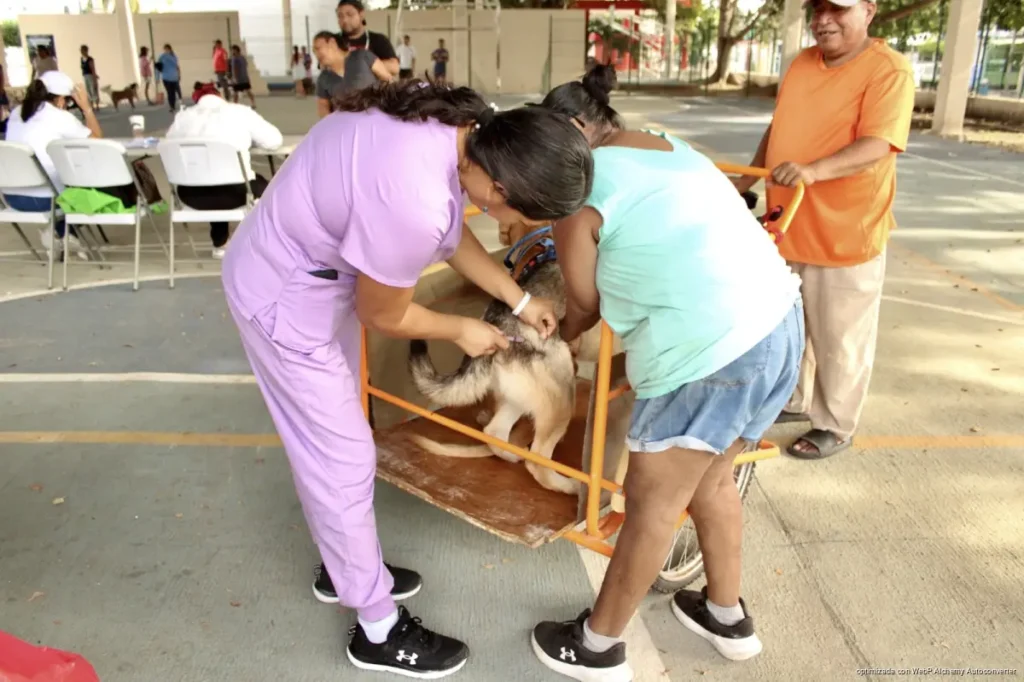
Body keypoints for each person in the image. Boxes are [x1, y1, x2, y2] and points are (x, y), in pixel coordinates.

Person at [220, 80, 593, 678]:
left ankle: (344, 562)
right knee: (342, 454)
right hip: (285, 294)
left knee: (333, 442)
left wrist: (519, 300)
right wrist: (461, 331)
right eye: (518, 213)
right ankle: (375, 626)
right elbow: (384, 313)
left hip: (315, 274)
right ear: (498, 185)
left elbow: (449, 233)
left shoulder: (463, 131)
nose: (511, 223)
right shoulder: (413, 196)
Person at [528, 66, 803, 681]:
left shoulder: (581, 192)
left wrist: (560, 335)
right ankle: (725, 616)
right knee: (713, 479)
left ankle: (597, 646)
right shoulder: (664, 143)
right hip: (778, 324)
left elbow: (584, 304)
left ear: (575, 132)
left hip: (708, 356)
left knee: (652, 503)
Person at [732, 0, 914, 460]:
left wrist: (814, 171)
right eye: (818, 8)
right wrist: (746, 181)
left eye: (838, 8)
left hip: (845, 232)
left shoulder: (888, 70)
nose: (824, 19)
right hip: (788, 223)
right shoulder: (802, 63)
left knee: (839, 338)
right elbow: (779, 130)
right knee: (792, 327)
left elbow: (879, 144)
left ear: (869, 11)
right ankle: (793, 400)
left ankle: (835, 423)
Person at [1, 71, 132, 262]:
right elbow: (97, 140)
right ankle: (66, 236)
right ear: (61, 100)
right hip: (46, 200)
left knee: (56, 177)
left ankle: (62, 235)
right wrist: (86, 108)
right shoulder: (59, 117)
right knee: (81, 178)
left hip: (12, 197)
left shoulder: (16, 113)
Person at [166, 82, 282, 259]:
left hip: (190, 196)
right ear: (220, 96)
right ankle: (266, 245)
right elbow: (274, 141)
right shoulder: (240, 112)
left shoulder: (181, 118)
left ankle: (220, 243)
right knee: (266, 186)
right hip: (235, 195)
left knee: (210, 177)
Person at [312, 31, 391, 119]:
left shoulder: (363, 56)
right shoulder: (323, 79)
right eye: (314, 51)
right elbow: (323, 109)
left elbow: (388, 81)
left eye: (318, 48)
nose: (316, 54)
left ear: (332, 43)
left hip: (375, 122)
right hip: (345, 128)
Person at [336, 0, 399, 76]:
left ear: (361, 15)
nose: (345, 20)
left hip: (373, 87)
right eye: (340, 16)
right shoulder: (333, 41)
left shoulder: (378, 40)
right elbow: (325, 67)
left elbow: (394, 68)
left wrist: (363, 64)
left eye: (350, 14)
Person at [156, 44, 182, 112]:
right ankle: (172, 106)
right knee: (169, 92)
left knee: (172, 92)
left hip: (173, 77)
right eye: (165, 49)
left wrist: (168, 56)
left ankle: (173, 105)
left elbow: (176, 65)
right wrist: (157, 78)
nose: (166, 51)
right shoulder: (162, 57)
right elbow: (158, 67)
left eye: (167, 49)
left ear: (170, 49)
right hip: (166, 78)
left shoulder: (173, 56)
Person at [80, 45, 100, 110]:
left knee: (93, 90)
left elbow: (93, 68)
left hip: (90, 75)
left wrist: (94, 78)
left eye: (82, 50)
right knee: (88, 90)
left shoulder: (90, 59)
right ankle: (91, 105)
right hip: (85, 76)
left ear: (86, 51)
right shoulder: (81, 59)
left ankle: (97, 105)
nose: (81, 52)